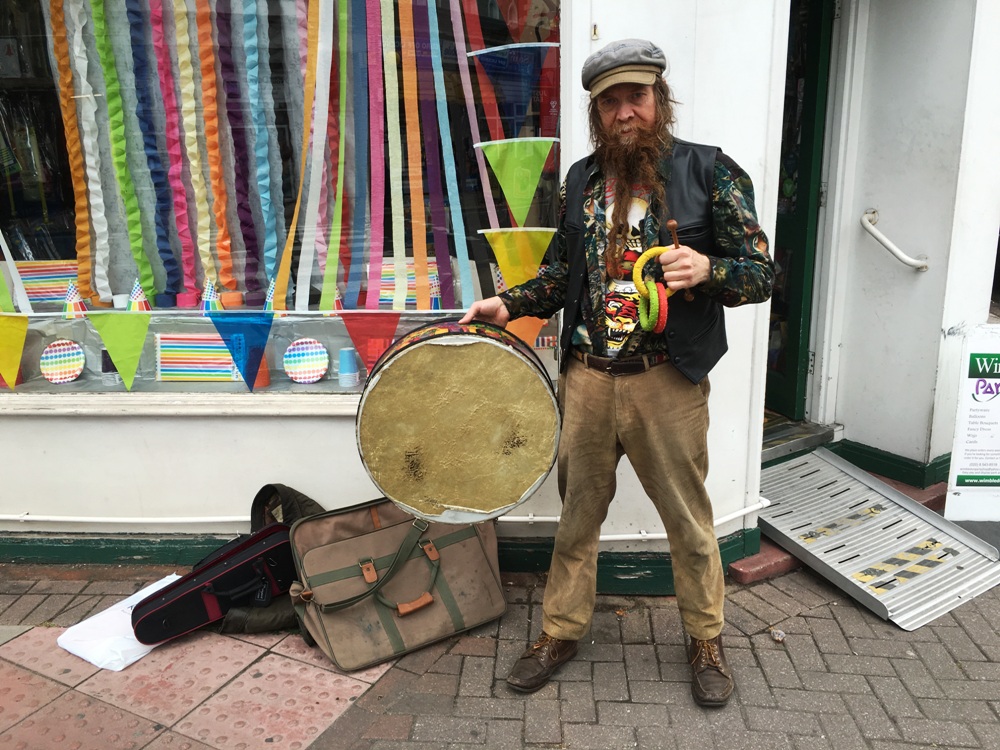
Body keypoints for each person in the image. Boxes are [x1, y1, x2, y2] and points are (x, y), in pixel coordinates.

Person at [459, 38, 774, 707]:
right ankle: (560, 631)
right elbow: (560, 275)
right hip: (588, 381)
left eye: (636, 95)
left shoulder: (711, 172)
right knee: (576, 517)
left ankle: (706, 637)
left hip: (668, 381)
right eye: (610, 101)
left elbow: (763, 273)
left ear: (659, 98)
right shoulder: (580, 181)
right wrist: (506, 303)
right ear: (596, 111)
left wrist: (709, 270)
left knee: (688, 518)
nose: (624, 110)